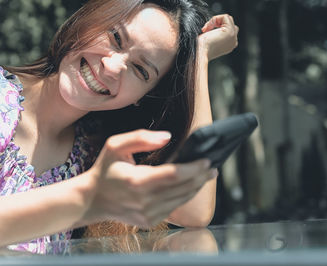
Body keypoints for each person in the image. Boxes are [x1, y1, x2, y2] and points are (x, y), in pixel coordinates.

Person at [0, 0, 238, 253]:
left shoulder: (93, 153)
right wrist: (88, 196)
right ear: (88, 21)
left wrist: (199, 58)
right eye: (115, 37)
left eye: (140, 70)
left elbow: (194, 212)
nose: (112, 67)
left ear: (142, 97)